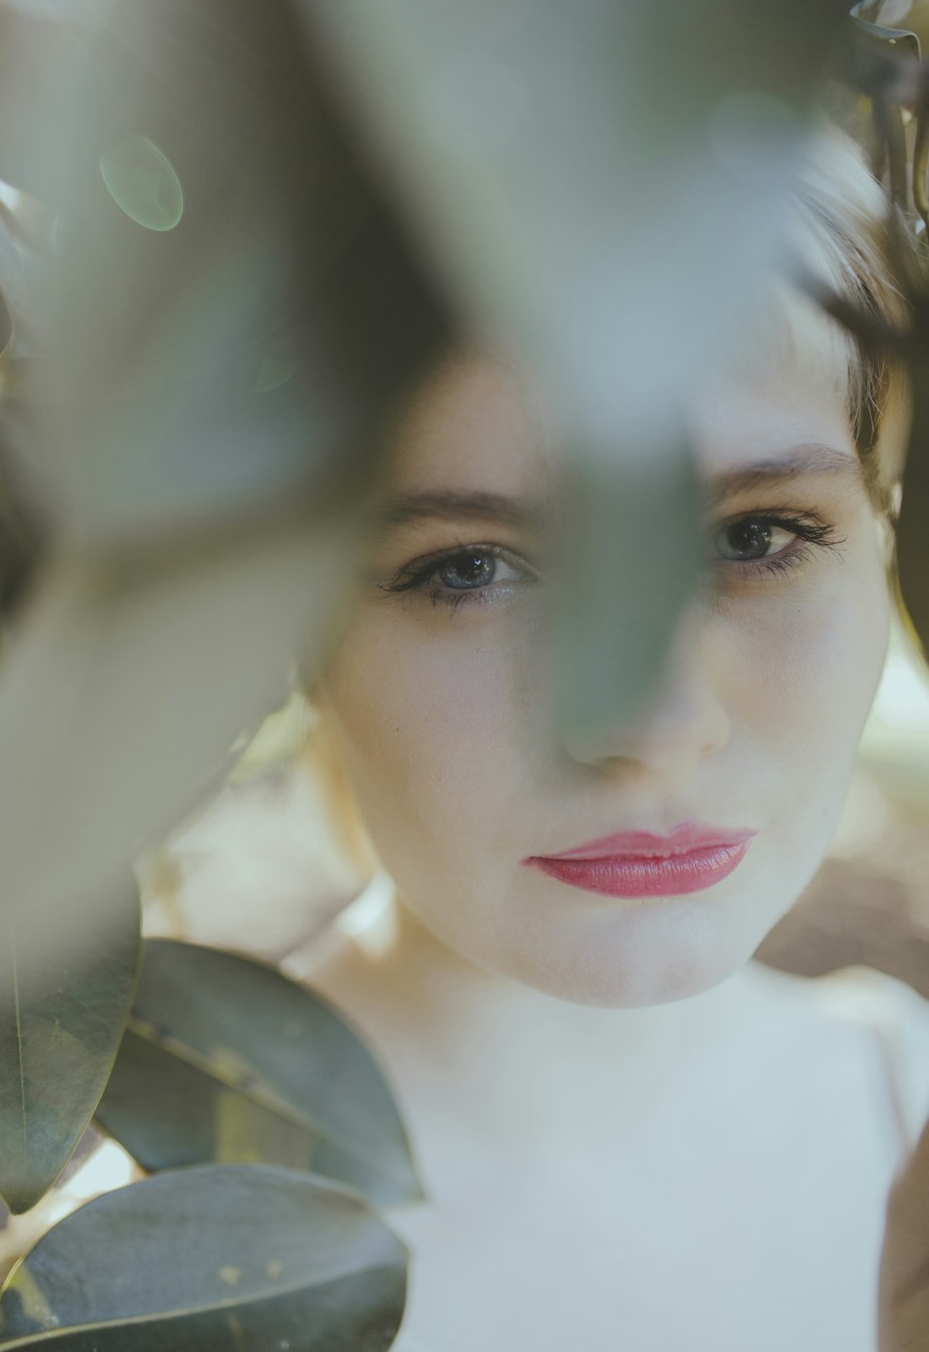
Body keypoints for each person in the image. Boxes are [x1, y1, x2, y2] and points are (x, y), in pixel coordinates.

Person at [281, 126, 927, 1352]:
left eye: (756, 538)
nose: (654, 723)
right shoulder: (148, 1286)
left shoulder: (901, 1096)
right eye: (469, 569)